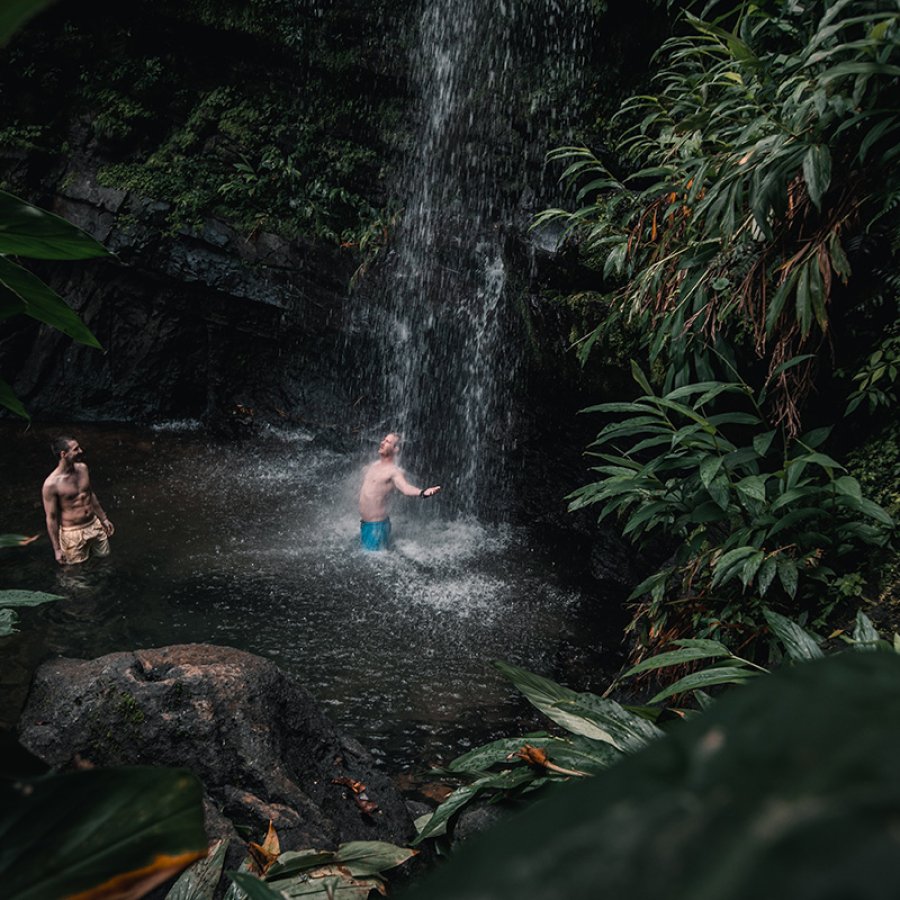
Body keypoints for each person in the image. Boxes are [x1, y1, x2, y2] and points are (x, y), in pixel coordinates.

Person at [358, 432, 441, 550]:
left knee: (370, 562)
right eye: (384, 440)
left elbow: (405, 488)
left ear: (395, 449)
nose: (382, 443)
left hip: (376, 528)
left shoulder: (394, 471)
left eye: (388, 442)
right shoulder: (374, 465)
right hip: (365, 524)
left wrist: (422, 492)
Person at [42, 436, 115, 565]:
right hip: (72, 533)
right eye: (76, 449)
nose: (81, 451)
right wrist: (57, 549)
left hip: (94, 525)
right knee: (75, 574)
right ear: (63, 454)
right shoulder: (51, 484)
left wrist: (103, 518)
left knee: (104, 562)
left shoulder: (83, 468)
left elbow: (90, 495)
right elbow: (51, 518)